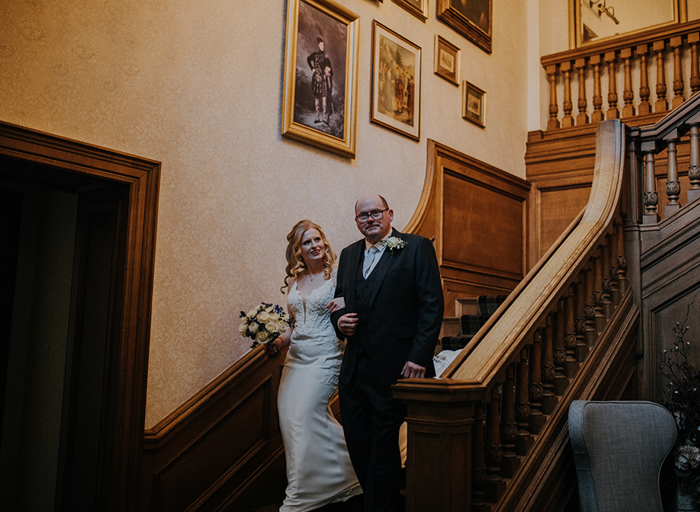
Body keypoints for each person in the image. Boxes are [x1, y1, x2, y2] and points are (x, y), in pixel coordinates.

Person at [331, 195, 444, 512]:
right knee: (358, 442)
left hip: (396, 367)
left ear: (390, 214)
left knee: (383, 447)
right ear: (357, 222)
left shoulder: (416, 247)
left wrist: (419, 357)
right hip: (354, 371)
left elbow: (431, 305)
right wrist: (340, 323)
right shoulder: (349, 254)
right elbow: (339, 303)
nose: (369, 219)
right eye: (362, 215)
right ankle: (387, 504)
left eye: (375, 213)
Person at [267, 220, 362, 512]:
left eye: (318, 239)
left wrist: (347, 320)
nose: (315, 245)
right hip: (295, 359)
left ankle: (298, 497)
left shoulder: (337, 277)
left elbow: (352, 311)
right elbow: (293, 325)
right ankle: (350, 473)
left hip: (326, 356)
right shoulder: (295, 281)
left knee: (305, 415)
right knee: (290, 421)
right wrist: (279, 341)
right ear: (298, 250)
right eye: (307, 242)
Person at [307, 37, 333, 125]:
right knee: (317, 98)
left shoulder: (326, 58)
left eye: (323, 45)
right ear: (318, 45)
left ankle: (325, 118)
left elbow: (331, 72)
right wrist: (312, 69)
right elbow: (308, 59)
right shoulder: (315, 55)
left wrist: (328, 71)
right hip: (316, 78)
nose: (322, 46)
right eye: (321, 45)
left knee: (324, 99)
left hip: (323, 80)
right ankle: (317, 117)